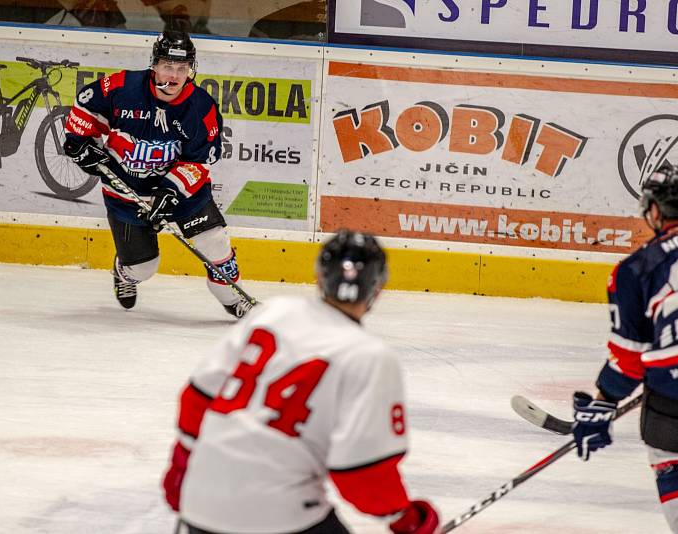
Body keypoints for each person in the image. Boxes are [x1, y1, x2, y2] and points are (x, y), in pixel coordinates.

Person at [161, 229, 439, 534]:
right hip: (281, 515)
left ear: (319, 277)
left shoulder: (273, 313)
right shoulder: (370, 356)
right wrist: (406, 519)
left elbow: (198, 398)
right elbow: (362, 474)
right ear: (378, 288)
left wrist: (181, 469)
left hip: (200, 502)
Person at [570, 163, 678, 534]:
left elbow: (629, 359)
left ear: (655, 210)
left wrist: (604, 402)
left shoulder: (634, 268)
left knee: (670, 457)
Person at [63, 30, 252, 318]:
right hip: (127, 191)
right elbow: (87, 104)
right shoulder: (122, 88)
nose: (174, 76)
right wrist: (79, 142)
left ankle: (233, 297)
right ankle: (124, 274)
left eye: (182, 68)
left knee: (214, 240)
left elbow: (200, 161)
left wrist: (170, 192)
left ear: (191, 69)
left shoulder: (201, 107)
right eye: (167, 66)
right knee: (144, 268)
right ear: (154, 65)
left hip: (183, 194)